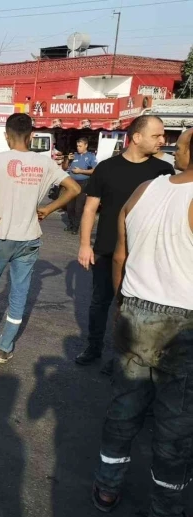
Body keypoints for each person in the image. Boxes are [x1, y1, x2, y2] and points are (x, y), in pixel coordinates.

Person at [91, 128, 193, 517]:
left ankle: (106, 488)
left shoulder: (144, 191)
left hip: (135, 309)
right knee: (175, 424)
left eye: (180, 142)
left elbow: (120, 255)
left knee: (125, 407)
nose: (173, 146)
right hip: (183, 323)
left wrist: (122, 306)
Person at [0, 113, 80, 363]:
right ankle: (5, 347)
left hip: (0, 235)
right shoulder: (45, 163)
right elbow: (75, 188)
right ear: (31, 136)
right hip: (29, 238)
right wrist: (49, 209)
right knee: (19, 292)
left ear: (7, 136)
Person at [76, 116, 174, 368]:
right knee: (101, 302)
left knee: (133, 309)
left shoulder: (162, 171)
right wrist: (85, 245)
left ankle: (125, 360)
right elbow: (90, 209)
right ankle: (94, 347)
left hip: (144, 254)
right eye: (157, 135)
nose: (162, 140)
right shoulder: (106, 168)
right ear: (137, 137)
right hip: (107, 249)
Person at [65, 137, 97, 234]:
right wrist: (67, 160)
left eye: (80, 146)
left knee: (78, 207)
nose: (78, 148)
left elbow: (95, 170)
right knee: (69, 207)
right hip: (71, 183)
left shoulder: (91, 156)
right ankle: (70, 225)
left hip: (83, 184)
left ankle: (75, 227)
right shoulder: (74, 155)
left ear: (86, 145)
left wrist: (81, 171)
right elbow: (64, 167)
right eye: (77, 146)